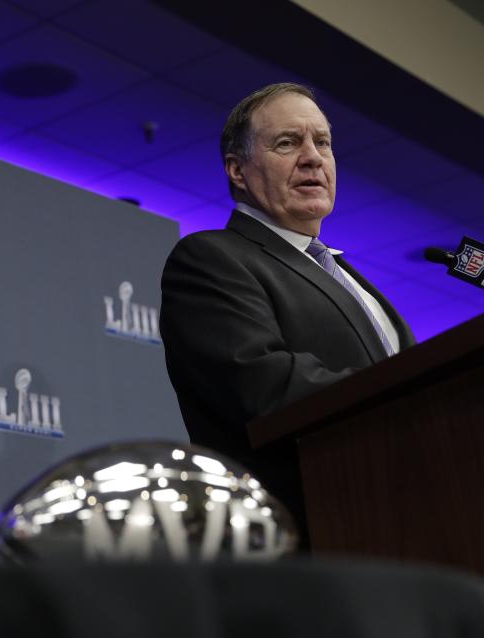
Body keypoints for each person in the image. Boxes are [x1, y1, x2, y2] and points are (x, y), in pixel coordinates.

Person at [159, 83, 414, 538]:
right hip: (307, 535)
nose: (314, 157)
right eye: (287, 143)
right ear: (238, 171)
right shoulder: (212, 258)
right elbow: (262, 383)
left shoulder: (353, 278)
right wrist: (412, 393)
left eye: (323, 142)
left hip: (407, 514)